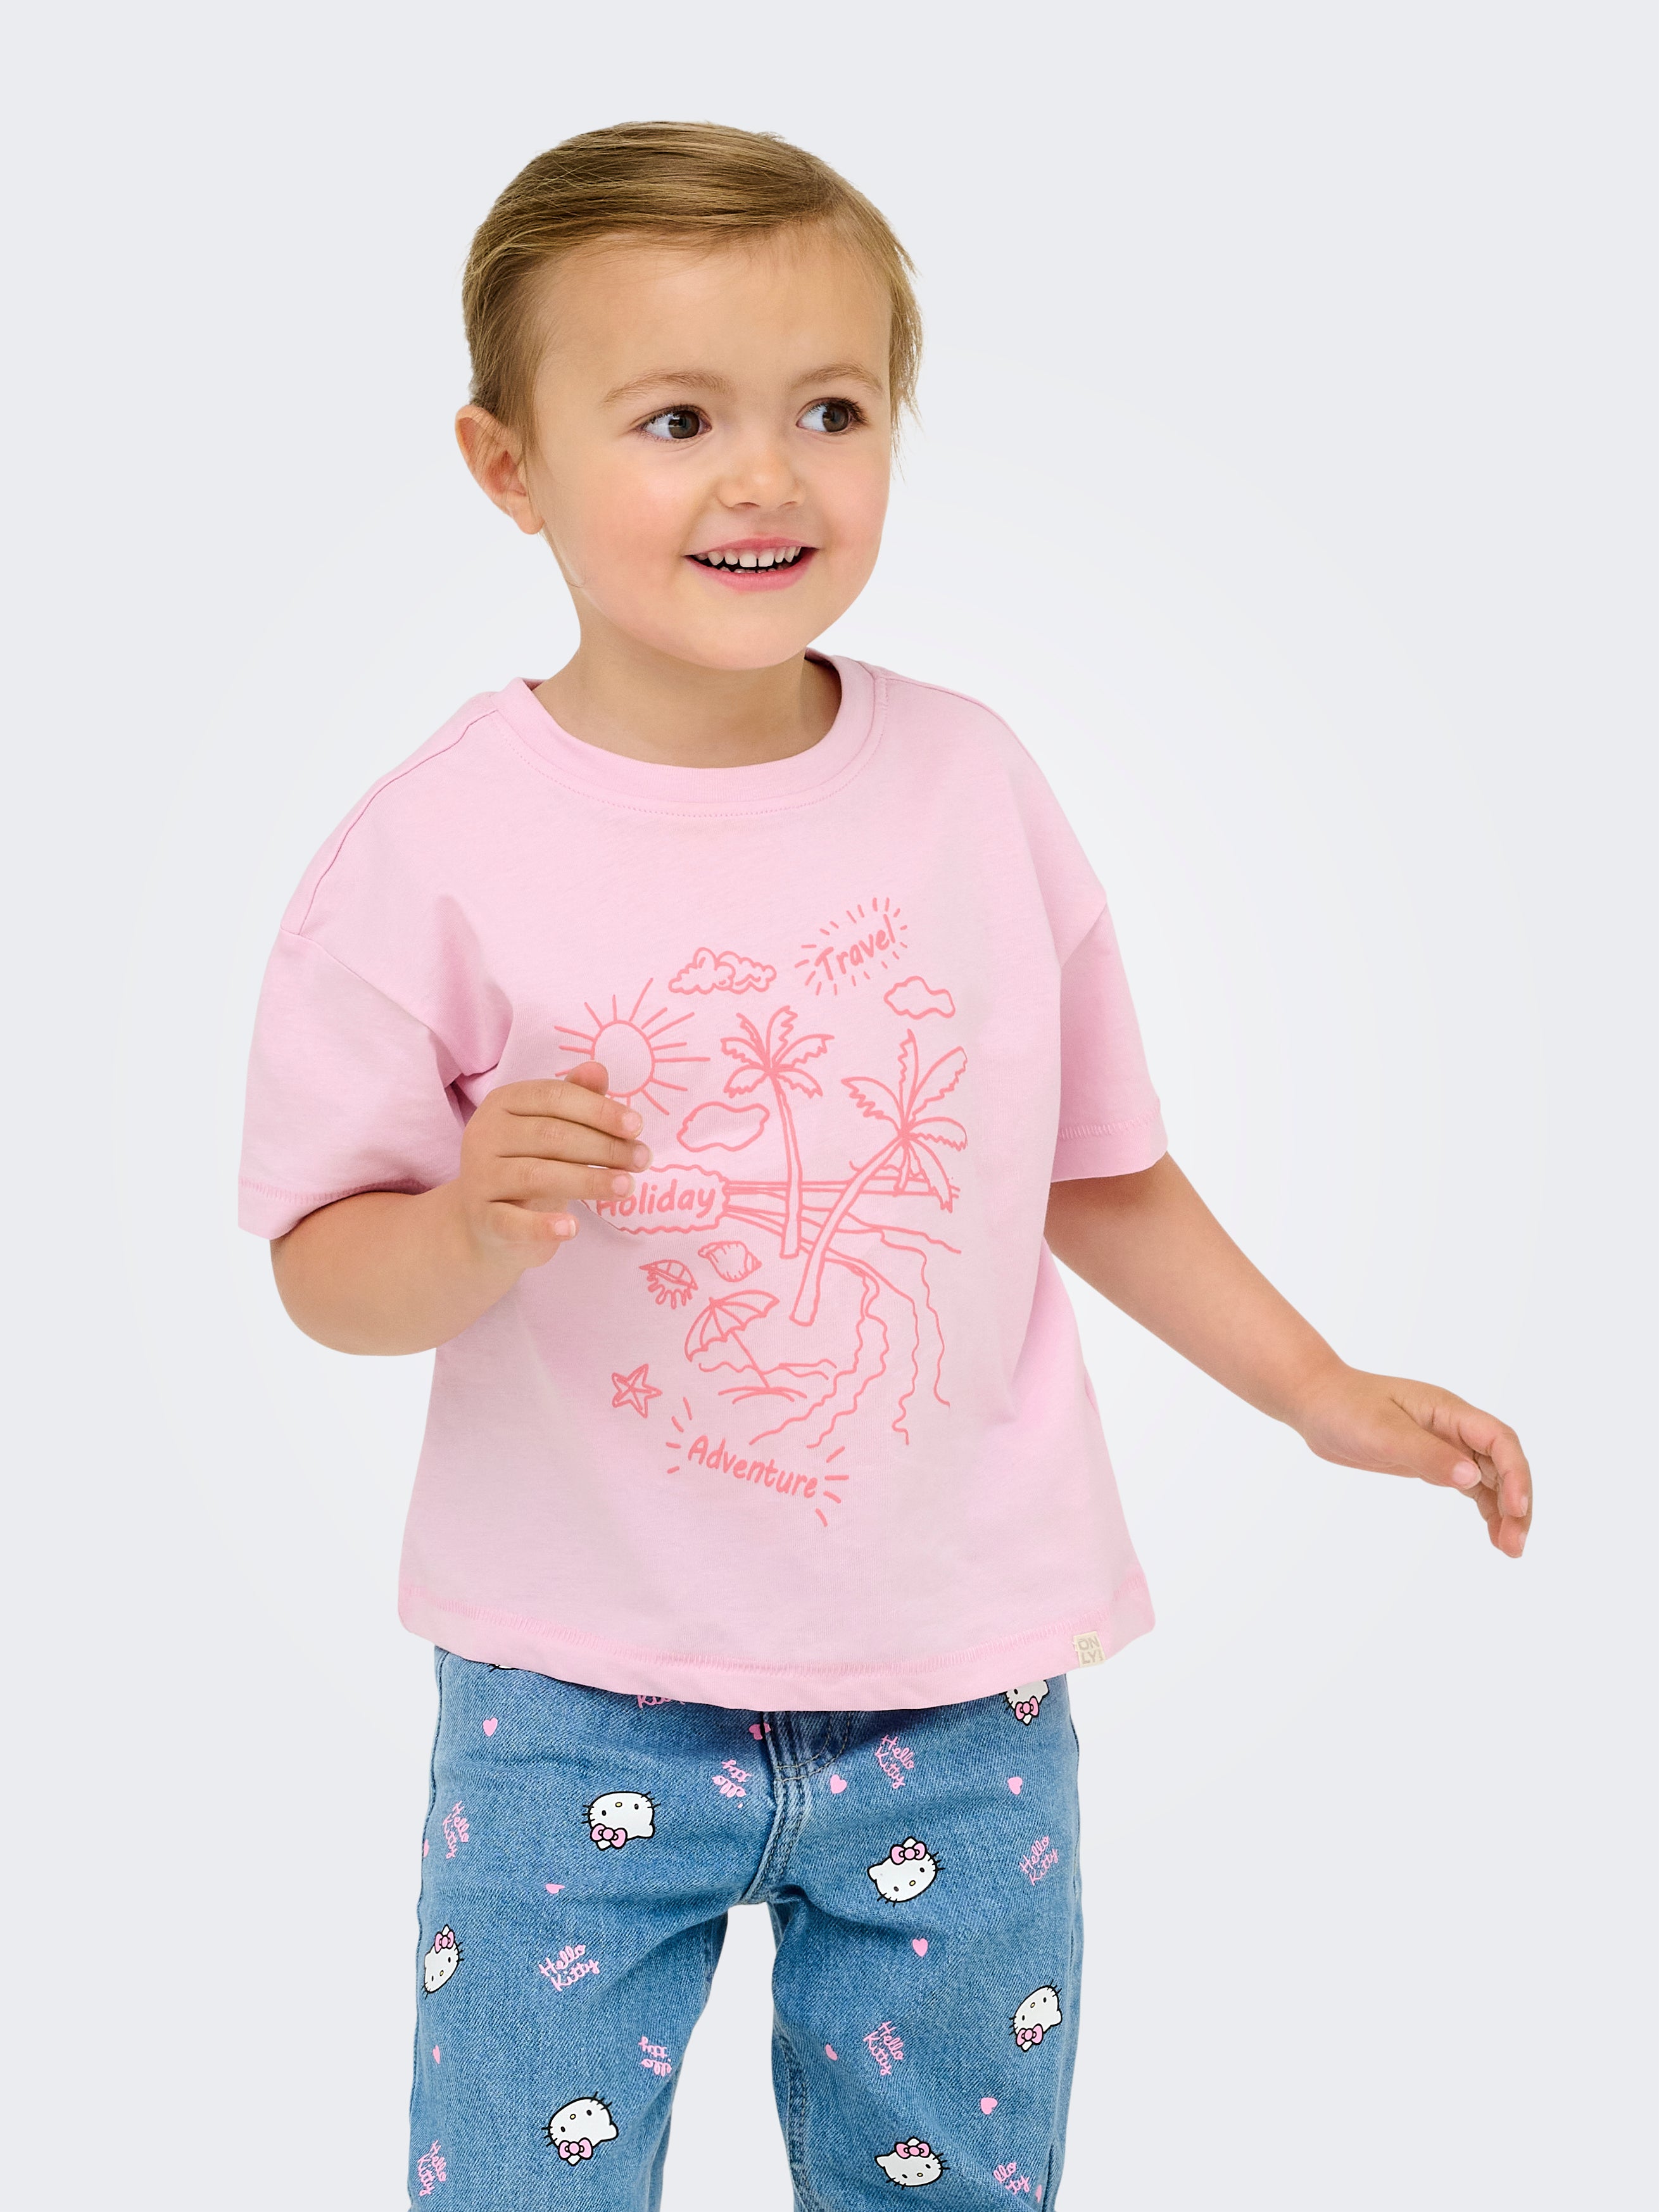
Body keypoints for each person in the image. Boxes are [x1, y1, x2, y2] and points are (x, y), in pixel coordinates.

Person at [238, 121, 1531, 2211]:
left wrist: (1315, 1391)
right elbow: (320, 1267)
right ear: (507, 466)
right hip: (574, 1698)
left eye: (830, 411)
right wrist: (467, 1223)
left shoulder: (968, 783)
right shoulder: (436, 848)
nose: (767, 477)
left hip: (958, 1692)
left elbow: (1092, 1168)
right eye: (677, 420)